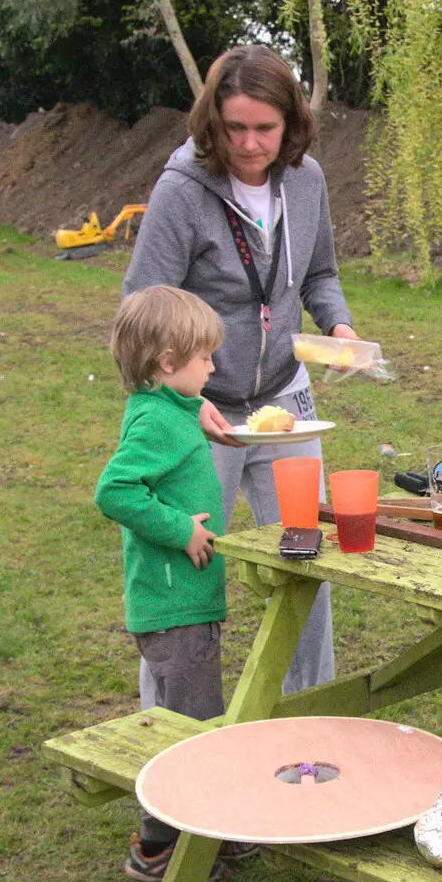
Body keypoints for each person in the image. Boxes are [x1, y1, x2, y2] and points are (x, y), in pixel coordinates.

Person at [124, 45, 362, 695]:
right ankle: (167, 726)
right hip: (205, 412)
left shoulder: (307, 180)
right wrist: (176, 405)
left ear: (291, 124)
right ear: (213, 122)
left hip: (286, 398)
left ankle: (311, 708)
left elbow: (320, 272)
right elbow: (141, 310)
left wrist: (337, 323)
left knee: (306, 555)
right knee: (191, 565)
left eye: (266, 128)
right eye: (236, 128)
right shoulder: (181, 192)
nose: (251, 144)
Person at [94, 285, 259, 882]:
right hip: (173, 606)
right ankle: (159, 847)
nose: (214, 368)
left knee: (198, 718)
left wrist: (200, 415)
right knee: (188, 730)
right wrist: (179, 529)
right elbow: (115, 491)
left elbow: (175, 414)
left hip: (186, 603)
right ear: (168, 362)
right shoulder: (157, 424)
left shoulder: (163, 409)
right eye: (205, 359)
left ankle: (215, 824)